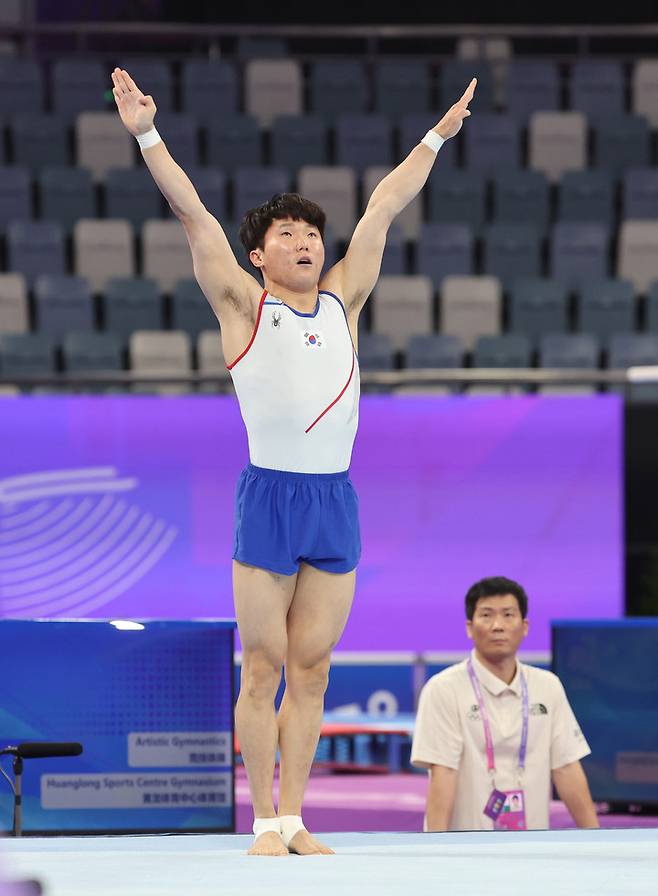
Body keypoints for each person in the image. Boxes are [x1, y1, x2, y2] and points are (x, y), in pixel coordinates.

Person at [111, 65, 476, 855]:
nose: (306, 241)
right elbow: (191, 211)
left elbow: (385, 206)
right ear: (257, 255)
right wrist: (145, 132)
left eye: (312, 233)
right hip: (270, 497)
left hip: (334, 499)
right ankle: (264, 820)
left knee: (312, 668)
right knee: (263, 664)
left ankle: (300, 817)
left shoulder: (345, 300)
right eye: (288, 235)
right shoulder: (243, 306)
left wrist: (436, 138)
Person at [411, 576, 600, 832]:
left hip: (533, 848)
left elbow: (566, 767)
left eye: (508, 615)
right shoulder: (443, 688)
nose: (497, 626)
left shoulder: (548, 686)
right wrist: (435, 849)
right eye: (486, 615)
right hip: (465, 850)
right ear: (469, 626)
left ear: (524, 626)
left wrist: (594, 838)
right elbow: (444, 772)